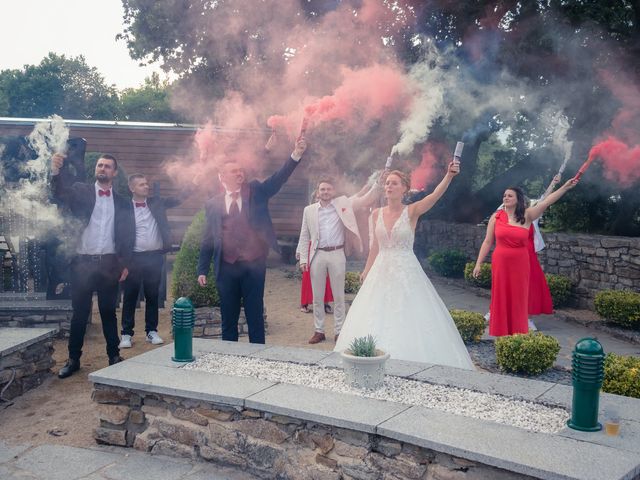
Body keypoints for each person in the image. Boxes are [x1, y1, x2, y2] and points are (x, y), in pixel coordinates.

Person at [334, 165, 474, 369]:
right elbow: (375, 246)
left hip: (406, 270)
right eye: (387, 183)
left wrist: (448, 176)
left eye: (394, 183)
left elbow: (434, 196)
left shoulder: (412, 211)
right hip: (381, 270)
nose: (389, 186)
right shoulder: (376, 214)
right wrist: (366, 269)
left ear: (404, 189)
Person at [197, 137, 308, 343]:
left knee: (254, 314)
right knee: (228, 316)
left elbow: (278, 179)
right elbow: (208, 237)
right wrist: (202, 269)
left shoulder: (256, 191)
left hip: (254, 265)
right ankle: (230, 356)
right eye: (234, 171)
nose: (240, 173)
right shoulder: (213, 204)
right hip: (226, 266)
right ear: (222, 177)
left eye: (241, 170)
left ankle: (258, 354)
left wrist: (296, 155)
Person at [50, 153, 134, 378]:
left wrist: (125, 264)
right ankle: (73, 359)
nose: (103, 168)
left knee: (108, 312)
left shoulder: (123, 203)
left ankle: (114, 356)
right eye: (100, 165)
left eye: (107, 166)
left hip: (109, 264)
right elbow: (60, 193)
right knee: (80, 313)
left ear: (114, 173)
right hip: (82, 263)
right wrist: (56, 172)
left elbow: (128, 236)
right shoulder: (80, 191)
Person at [473, 179, 578, 336]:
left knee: (520, 296)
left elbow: (547, 201)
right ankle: (501, 330)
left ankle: (519, 330)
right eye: (504, 195)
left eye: (510, 196)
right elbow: (488, 241)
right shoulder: (496, 217)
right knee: (501, 295)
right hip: (500, 261)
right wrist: (478, 263)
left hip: (521, 262)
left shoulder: (528, 215)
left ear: (518, 200)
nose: (506, 198)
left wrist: (565, 187)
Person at [298, 177, 381, 344]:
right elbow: (304, 234)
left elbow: (367, 198)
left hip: (337, 254)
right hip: (317, 255)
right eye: (323, 189)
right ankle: (319, 330)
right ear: (318, 191)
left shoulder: (343, 204)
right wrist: (303, 258)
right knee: (317, 297)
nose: (325, 192)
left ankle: (339, 331)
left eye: (328, 189)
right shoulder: (309, 210)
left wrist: (378, 183)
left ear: (333, 192)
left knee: (338, 296)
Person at [119, 174, 187, 348]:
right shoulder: (124, 207)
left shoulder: (156, 203)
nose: (146, 186)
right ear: (132, 188)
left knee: (152, 295)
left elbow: (177, 200)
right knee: (130, 296)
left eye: (147, 183)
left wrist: (193, 183)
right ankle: (126, 334)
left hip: (154, 257)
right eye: (142, 184)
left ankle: (151, 331)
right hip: (133, 258)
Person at [296, 243, 334, 314]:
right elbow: (303, 236)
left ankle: (325, 303)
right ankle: (304, 304)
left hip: (324, 248)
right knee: (308, 276)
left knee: (326, 276)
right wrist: (299, 251)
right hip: (310, 248)